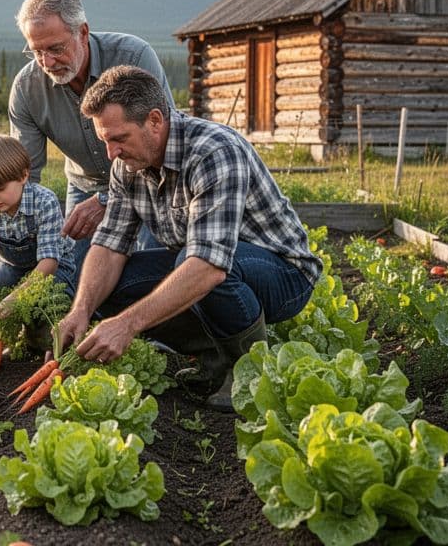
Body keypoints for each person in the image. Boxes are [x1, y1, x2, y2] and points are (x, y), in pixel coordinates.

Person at [54, 65, 322, 411]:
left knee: (199, 266)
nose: (111, 154)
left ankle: (252, 372)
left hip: (282, 275)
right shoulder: (128, 166)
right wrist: (81, 310)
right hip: (210, 264)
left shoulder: (213, 151)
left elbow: (208, 266)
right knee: (110, 287)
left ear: (154, 120)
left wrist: (128, 324)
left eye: (119, 138)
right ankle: (214, 354)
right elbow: (109, 245)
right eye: (105, 140)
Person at [8, 0, 170, 268]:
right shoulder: (27, 88)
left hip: (150, 181)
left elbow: (163, 146)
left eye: (56, 49)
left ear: (82, 33)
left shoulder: (133, 58)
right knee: (76, 274)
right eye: (36, 51)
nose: (47, 62)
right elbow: (25, 176)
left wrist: (108, 199)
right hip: (84, 185)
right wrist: (18, 241)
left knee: (153, 269)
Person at [0, 134, 75, 345]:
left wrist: (17, 298)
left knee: (51, 300)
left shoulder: (44, 202)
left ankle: (40, 332)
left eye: (0, 188)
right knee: (1, 277)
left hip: (53, 271)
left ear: (23, 176)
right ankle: (13, 337)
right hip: (14, 268)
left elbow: (49, 262)